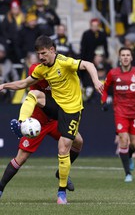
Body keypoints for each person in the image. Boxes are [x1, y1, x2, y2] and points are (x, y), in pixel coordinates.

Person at [0, 35, 104, 204]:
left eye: (43, 53)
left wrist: (95, 80)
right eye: (38, 54)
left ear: (52, 50)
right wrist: (4, 85)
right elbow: (23, 84)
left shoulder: (64, 62)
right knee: (34, 95)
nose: (41, 57)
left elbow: (88, 64)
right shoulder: (39, 69)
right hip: (47, 113)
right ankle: (21, 124)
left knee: (70, 146)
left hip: (70, 111)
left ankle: (61, 189)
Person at [0, 63, 83, 199]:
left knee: (78, 142)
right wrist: (4, 85)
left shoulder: (60, 71)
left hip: (56, 119)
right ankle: (1, 188)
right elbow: (24, 84)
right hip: (37, 122)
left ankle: (61, 173)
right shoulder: (37, 71)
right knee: (21, 158)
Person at [101, 47, 135, 183]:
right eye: (123, 55)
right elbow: (105, 89)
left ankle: (129, 156)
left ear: (131, 58)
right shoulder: (113, 73)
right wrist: (104, 102)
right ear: (119, 58)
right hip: (120, 113)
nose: (125, 57)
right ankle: (127, 173)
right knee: (123, 139)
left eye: (127, 55)